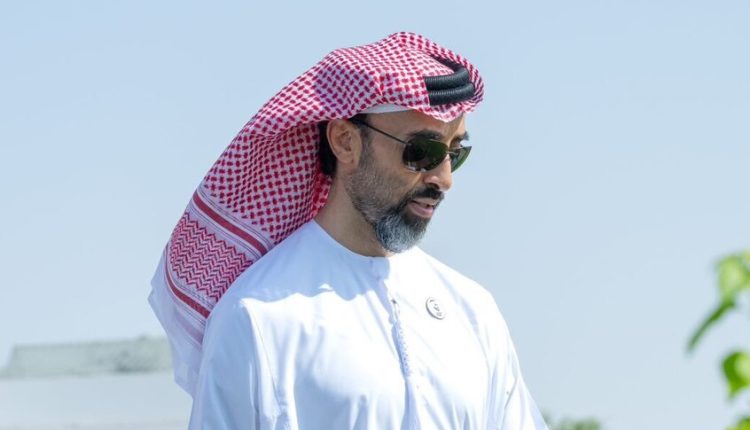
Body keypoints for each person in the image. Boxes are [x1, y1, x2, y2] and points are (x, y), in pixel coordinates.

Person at [149, 32, 548, 429]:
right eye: (422, 153)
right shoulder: (257, 316)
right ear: (344, 142)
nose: (444, 179)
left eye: (454, 153)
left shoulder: (473, 311)